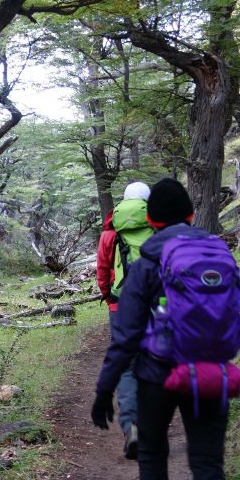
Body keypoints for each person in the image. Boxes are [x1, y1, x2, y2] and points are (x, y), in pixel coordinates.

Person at [90, 177, 240, 480]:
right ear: (191, 216)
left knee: (155, 452)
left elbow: (125, 335)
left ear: (152, 219)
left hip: (156, 374)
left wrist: (105, 391)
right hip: (209, 374)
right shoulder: (217, 249)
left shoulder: (148, 259)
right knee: (209, 469)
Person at [94, 181, 152, 459]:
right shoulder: (158, 226)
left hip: (120, 307)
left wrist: (109, 298)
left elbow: (103, 271)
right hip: (156, 307)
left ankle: (132, 426)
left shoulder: (110, 233)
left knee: (127, 366)